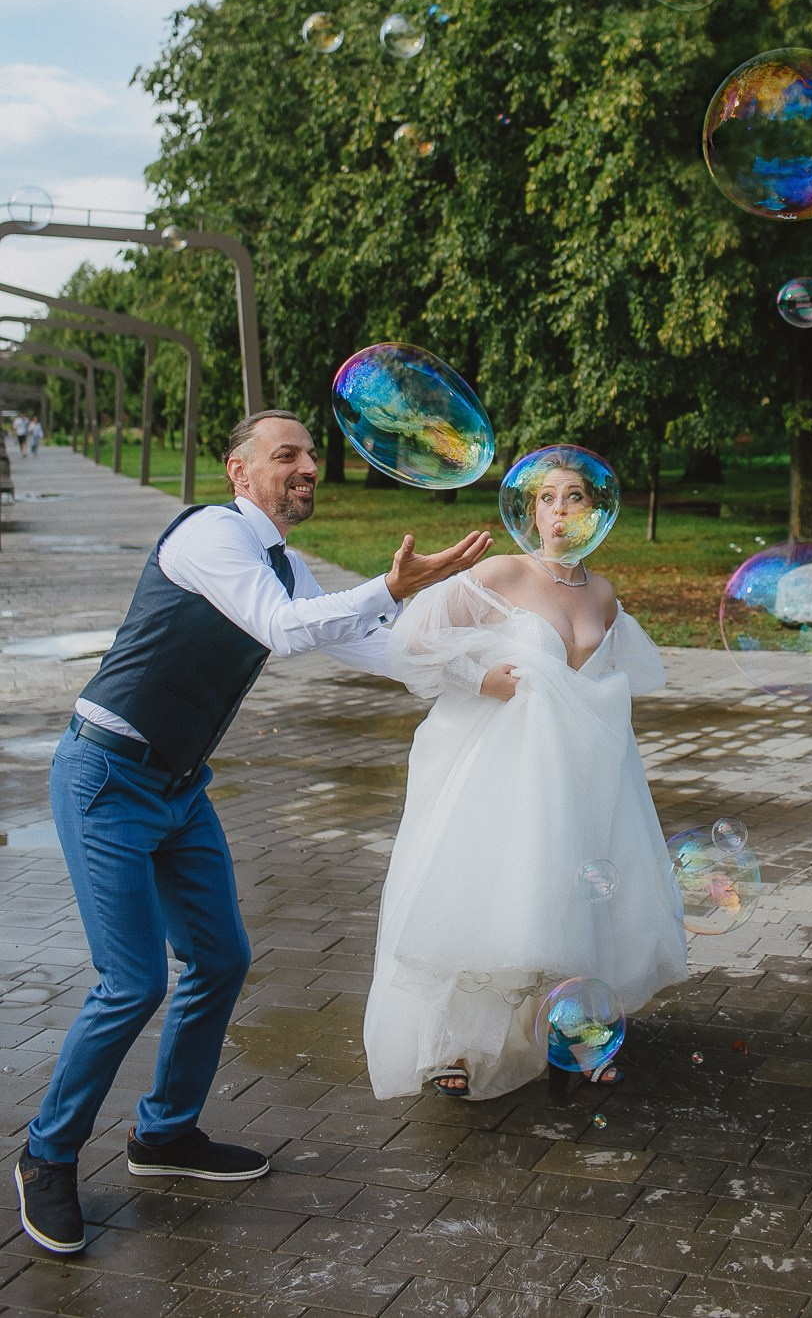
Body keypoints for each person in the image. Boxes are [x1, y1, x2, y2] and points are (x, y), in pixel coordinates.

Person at [15, 409, 491, 1256]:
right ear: (240, 472)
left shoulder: (279, 558)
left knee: (222, 958)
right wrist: (394, 583)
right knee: (131, 983)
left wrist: (474, 674)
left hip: (178, 787)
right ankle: (46, 1156)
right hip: (106, 777)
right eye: (287, 455)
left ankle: (163, 1137)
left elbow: (356, 640)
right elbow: (280, 627)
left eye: (310, 454)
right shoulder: (209, 535)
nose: (307, 465)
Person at [364, 449, 688, 1102]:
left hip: (584, 773)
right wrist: (477, 677)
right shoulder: (503, 574)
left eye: (575, 498)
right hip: (507, 772)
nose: (560, 510)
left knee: (571, 893)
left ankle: (560, 1024)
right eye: (548, 498)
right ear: (531, 511)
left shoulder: (602, 593)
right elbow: (411, 640)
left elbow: (620, 676)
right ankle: (456, 1043)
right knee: (495, 894)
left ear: (596, 512)